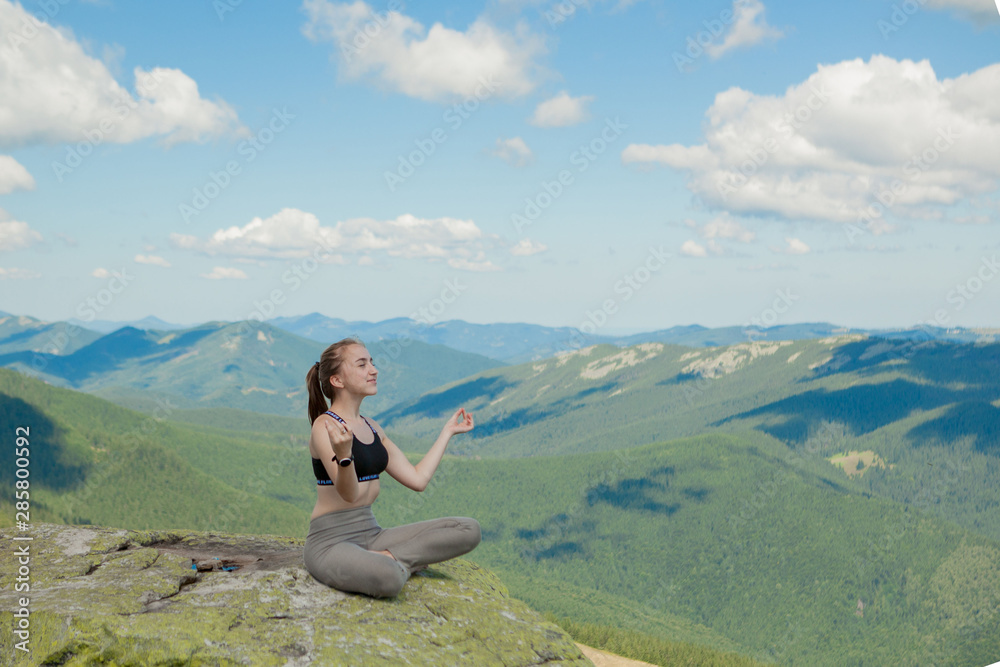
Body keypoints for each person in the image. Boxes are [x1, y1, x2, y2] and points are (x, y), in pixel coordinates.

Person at [302, 337, 481, 598]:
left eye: (371, 363)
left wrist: (447, 433)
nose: (373, 370)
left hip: (373, 534)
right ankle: (397, 562)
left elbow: (418, 480)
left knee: (468, 529)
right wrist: (344, 456)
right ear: (337, 381)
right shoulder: (325, 426)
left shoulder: (373, 427)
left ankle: (391, 558)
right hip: (331, 541)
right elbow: (349, 494)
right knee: (388, 577)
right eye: (362, 364)